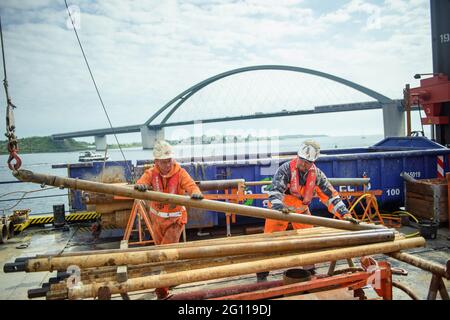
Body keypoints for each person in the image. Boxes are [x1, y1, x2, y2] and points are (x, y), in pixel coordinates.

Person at [256, 140, 358, 282]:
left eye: (307, 162)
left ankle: (309, 272)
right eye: (302, 160)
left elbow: (332, 197)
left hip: (302, 212)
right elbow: (274, 192)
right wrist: (279, 207)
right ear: (298, 156)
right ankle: (262, 275)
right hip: (280, 211)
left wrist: (345, 214)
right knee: (270, 242)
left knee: (308, 241)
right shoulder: (285, 169)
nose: (303, 164)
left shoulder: (317, 175)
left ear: (313, 162)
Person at [134, 140, 204, 299]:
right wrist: (141, 186)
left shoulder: (180, 173)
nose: (167, 164)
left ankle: (161, 290)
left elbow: (191, 186)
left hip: (175, 221)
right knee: (161, 252)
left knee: (164, 255)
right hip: (157, 221)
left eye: (169, 161)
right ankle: (165, 282)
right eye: (164, 162)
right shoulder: (151, 173)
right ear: (156, 161)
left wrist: (195, 193)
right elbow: (141, 183)